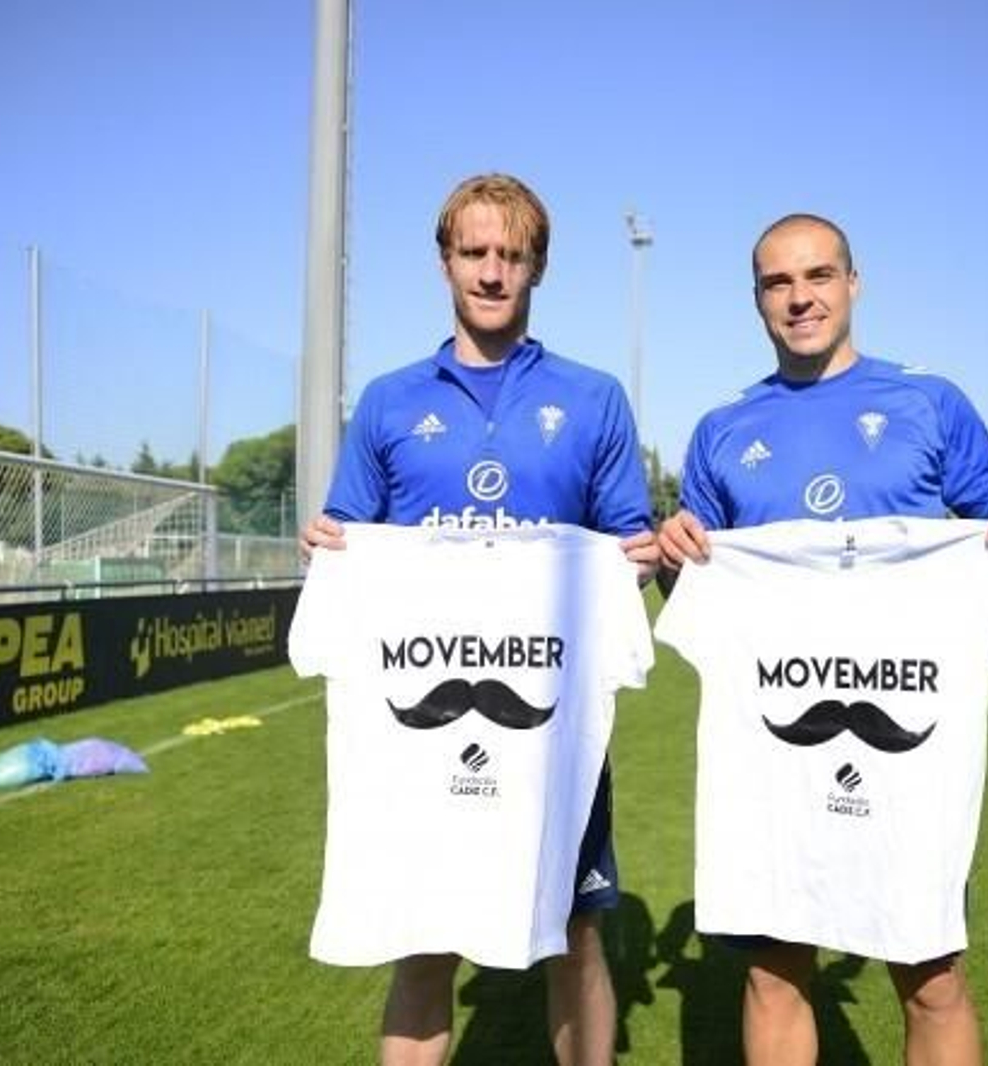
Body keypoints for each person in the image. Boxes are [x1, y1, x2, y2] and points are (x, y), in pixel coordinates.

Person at [656, 213, 988, 1066]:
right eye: (778, 282)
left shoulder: (930, 401)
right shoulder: (722, 429)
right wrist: (675, 553)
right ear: (757, 299)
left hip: (908, 739)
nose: (800, 297)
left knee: (933, 974)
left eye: (818, 276)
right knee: (775, 974)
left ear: (853, 283)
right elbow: (694, 588)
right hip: (776, 742)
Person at [300, 173, 658, 1066]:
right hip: (421, 722)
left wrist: (640, 558)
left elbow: (626, 553)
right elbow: (351, 541)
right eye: (475, 252)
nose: (493, 272)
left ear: (538, 266)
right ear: (444, 261)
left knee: (574, 931)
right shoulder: (387, 401)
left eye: (512, 254)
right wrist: (332, 550)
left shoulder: (593, 397)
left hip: (549, 717)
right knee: (424, 934)